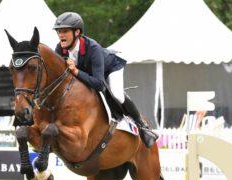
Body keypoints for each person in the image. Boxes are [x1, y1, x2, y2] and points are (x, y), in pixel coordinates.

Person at [53, 12, 157, 148]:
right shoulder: (60, 49)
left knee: (117, 95)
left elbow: (100, 84)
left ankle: (143, 127)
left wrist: (76, 71)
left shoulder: (93, 48)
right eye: (59, 31)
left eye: (65, 31)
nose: (61, 35)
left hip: (111, 67)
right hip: (92, 72)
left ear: (77, 32)